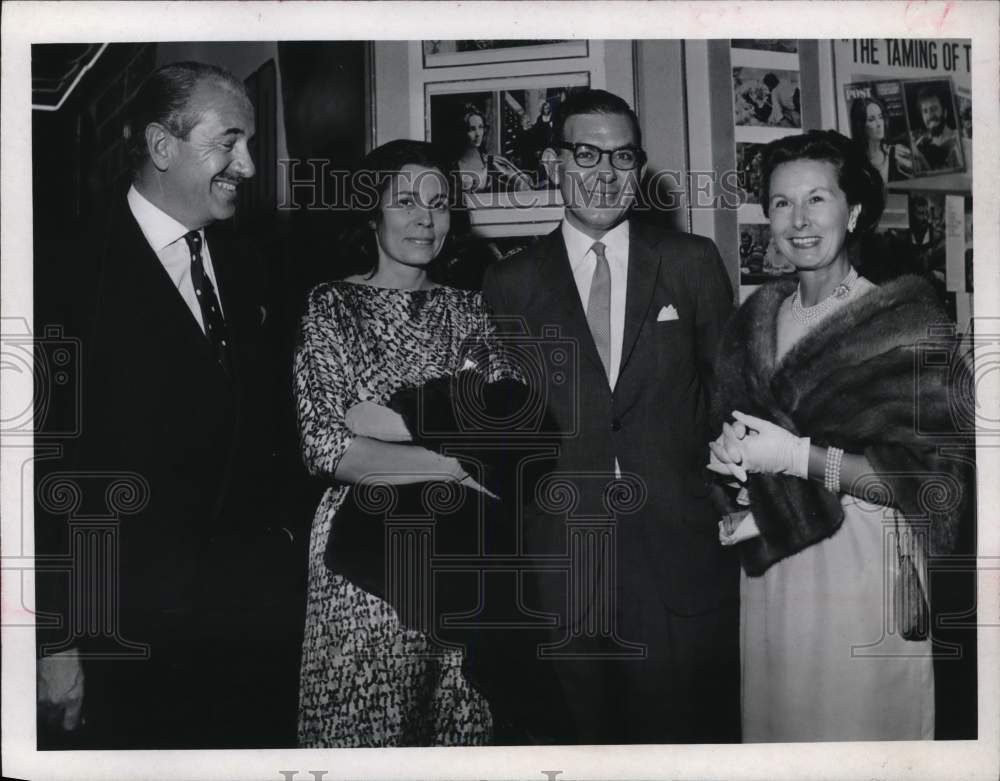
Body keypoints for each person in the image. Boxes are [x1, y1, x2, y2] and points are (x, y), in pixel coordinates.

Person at [34, 61, 302, 748]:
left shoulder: (253, 265)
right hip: (125, 640)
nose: (245, 165)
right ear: (161, 146)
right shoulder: (58, 274)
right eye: (229, 142)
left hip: (251, 632)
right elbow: (35, 473)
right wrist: (54, 639)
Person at [481, 88, 739, 744]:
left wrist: (715, 501)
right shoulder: (508, 282)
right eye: (587, 153)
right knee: (573, 735)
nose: (605, 173)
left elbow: (731, 396)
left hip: (676, 547)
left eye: (622, 156)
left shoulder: (690, 263)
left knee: (679, 734)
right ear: (551, 164)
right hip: (559, 554)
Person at [708, 130, 975, 741]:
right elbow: (731, 431)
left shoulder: (907, 322)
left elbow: (927, 486)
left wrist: (797, 456)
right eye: (780, 203)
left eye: (817, 200)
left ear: (853, 211)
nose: (798, 221)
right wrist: (733, 472)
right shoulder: (754, 319)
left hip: (858, 572)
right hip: (774, 569)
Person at [295, 139, 518, 747]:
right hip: (362, 555)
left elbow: (507, 425)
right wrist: (450, 461)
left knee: (458, 727)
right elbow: (328, 447)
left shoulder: (467, 309)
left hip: (462, 551)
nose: (425, 217)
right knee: (368, 734)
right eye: (405, 201)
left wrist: (391, 423)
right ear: (372, 213)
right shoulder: (331, 306)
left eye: (440, 202)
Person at [456, 104, 531, 194]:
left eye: (480, 127)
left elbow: (523, 186)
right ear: (463, 132)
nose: (478, 134)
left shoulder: (492, 163)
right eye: (472, 129)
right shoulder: (455, 165)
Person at [848, 95, 912, 183]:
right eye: (871, 119)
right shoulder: (854, 164)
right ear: (860, 126)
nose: (879, 124)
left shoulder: (897, 154)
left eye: (880, 117)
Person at [911, 87, 962, 173]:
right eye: (925, 111)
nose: (930, 116)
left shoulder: (960, 141)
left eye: (934, 109)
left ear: (945, 112)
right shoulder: (918, 146)